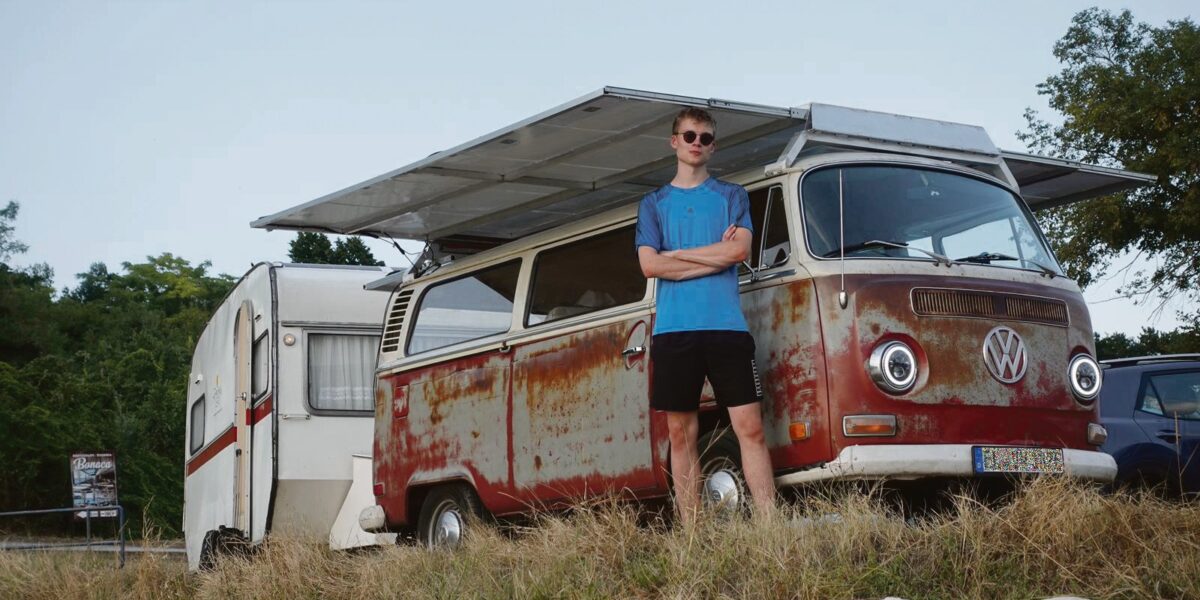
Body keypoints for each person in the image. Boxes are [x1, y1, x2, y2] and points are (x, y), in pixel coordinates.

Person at [634, 107, 776, 523]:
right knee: (681, 435)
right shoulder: (654, 204)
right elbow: (649, 266)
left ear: (714, 146)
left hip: (727, 329)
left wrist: (676, 255)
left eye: (706, 138)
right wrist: (712, 257)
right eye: (690, 135)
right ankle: (692, 535)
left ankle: (771, 529)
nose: (698, 143)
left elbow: (739, 251)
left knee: (750, 429)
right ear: (674, 141)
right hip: (675, 332)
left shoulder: (732, 195)